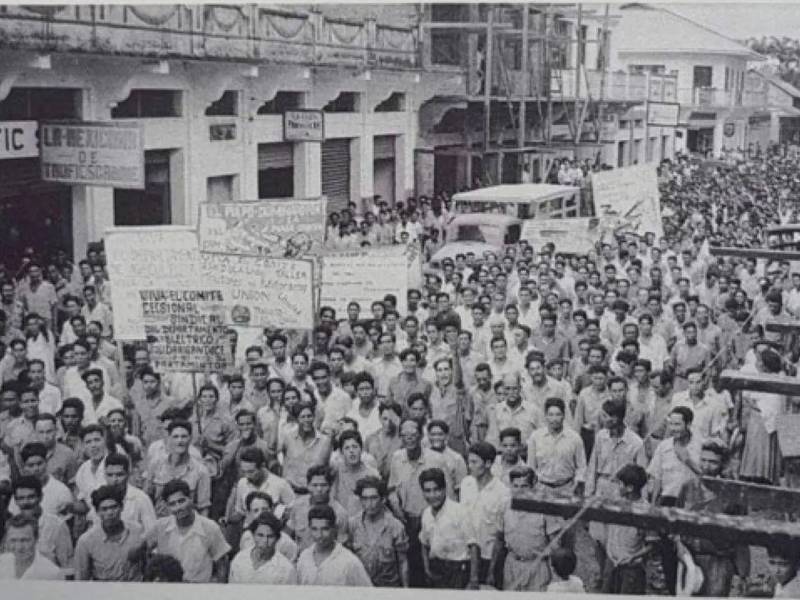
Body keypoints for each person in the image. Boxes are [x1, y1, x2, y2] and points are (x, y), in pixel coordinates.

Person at [147, 479, 230, 583]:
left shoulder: (210, 528)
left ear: (190, 498)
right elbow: (144, 551)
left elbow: (222, 563)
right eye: (172, 504)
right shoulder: (160, 527)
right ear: (167, 506)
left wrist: (217, 589)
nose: (178, 508)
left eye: (181, 501)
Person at [492, 466, 554, 591]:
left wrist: (555, 575)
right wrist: (491, 570)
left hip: (537, 566)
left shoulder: (545, 508)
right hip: (512, 566)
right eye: (515, 486)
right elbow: (498, 540)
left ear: (533, 487)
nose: (519, 491)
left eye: (524, 486)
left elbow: (555, 544)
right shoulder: (504, 506)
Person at [459, 441, 510, 585]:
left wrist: (491, 571)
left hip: (488, 558)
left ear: (488, 463)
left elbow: (500, 535)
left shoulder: (502, 492)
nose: (470, 466)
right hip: (466, 554)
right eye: (469, 461)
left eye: (474, 462)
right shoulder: (466, 483)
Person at [346, 476, 409, 587]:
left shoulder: (395, 526)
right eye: (365, 499)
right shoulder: (352, 525)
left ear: (383, 499)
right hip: (361, 587)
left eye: (374, 498)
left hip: (388, 588)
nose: (369, 503)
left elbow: (403, 562)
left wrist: (405, 590)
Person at [74, 485, 146, 581]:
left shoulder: (137, 531)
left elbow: (145, 566)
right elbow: (81, 580)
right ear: (97, 512)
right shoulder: (86, 541)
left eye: (114, 507)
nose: (110, 513)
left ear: (122, 507)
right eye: (104, 509)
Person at [602, 464, 653, 594]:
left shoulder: (646, 511)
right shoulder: (616, 503)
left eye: (620, 483)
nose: (617, 487)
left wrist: (633, 558)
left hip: (631, 569)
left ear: (630, 488)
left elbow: (651, 545)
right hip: (611, 563)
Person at [296, 504, 373, 587]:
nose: (319, 535)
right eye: (314, 529)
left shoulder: (350, 562)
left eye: (325, 529)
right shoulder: (304, 558)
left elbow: (368, 592)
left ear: (334, 528)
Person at [11, 476, 73, 569]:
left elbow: (67, 565)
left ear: (40, 497)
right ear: (15, 501)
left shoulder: (57, 526)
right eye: (21, 498)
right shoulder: (11, 527)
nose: (26, 502)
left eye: (31, 497)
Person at [284, 465, 349, 552]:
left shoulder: (340, 513)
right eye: (314, 485)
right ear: (308, 486)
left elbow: (342, 546)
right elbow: (287, 534)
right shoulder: (298, 506)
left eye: (323, 485)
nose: (319, 489)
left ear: (330, 486)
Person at [228, 512, 298, 585]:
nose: (265, 541)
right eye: (260, 535)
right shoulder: (239, 560)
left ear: (277, 539)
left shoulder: (286, 570)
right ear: (253, 535)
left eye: (270, 536)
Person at [102, 452, 157, 533]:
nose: (114, 480)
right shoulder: (100, 497)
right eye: (110, 475)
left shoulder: (141, 499)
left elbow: (152, 532)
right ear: (105, 475)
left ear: (128, 475)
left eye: (119, 475)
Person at [0, 514, 63, 580]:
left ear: (36, 539)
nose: (19, 547)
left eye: (24, 540)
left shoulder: (52, 573)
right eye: (13, 540)